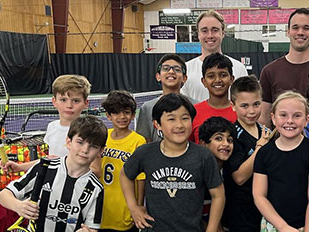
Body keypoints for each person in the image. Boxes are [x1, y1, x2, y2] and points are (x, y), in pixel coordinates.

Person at [120, 93, 225, 232]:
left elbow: (218, 195)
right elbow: (125, 175)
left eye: (185, 118)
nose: (179, 125)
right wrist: (134, 208)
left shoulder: (203, 156)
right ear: (157, 124)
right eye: (171, 119)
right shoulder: (145, 153)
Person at [0, 116, 107, 232]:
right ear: (68, 142)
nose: (85, 150)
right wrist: (18, 206)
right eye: (80, 142)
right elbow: (3, 195)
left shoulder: (96, 189)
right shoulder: (45, 168)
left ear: (100, 151)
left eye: (93, 146)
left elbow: (92, 227)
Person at [253, 91, 309, 232]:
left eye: (297, 115)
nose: (290, 121)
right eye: (283, 115)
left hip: (308, 225)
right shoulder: (264, 153)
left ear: (307, 120)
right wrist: (283, 227)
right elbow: (259, 195)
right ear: (273, 118)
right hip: (274, 225)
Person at [4, 74, 91, 172]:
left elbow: (94, 169)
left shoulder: (88, 132)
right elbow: (50, 160)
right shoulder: (52, 127)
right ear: (54, 102)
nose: (69, 105)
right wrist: (19, 167)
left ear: (86, 103)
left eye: (76, 101)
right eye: (63, 100)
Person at [92, 90, 147, 232]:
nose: (122, 117)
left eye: (127, 112)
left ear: (133, 114)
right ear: (108, 116)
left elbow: (141, 177)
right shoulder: (103, 136)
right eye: (116, 113)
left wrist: (139, 205)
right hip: (102, 204)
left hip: (124, 206)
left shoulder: (138, 141)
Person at [224, 75, 271, 231]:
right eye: (244, 106)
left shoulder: (266, 132)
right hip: (240, 212)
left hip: (265, 209)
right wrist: (259, 149)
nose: (251, 111)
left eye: (256, 104)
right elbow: (238, 177)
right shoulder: (230, 135)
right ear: (233, 105)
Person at [181, 10, 248, 102]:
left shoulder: (239, 68)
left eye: (215, 30)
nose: (210, 35)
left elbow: (245, 104)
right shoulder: (186, 69)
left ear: (223, 33)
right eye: (204, 31)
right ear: (198, 34)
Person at [137, 54, 199, 143]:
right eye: (166, 68)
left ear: (184, 78)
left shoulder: (195, 105)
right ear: (158, 76)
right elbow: (145, 140)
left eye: (177, 69)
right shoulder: (147, 108)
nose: (171, 71)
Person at [198, 116, 236, 231]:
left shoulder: (231, 172)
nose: (226, 144)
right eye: (219, 139)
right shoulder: (197, 173)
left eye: (230, 140)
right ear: (203, 144)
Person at [190, 53, 237, 144]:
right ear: (204, 81)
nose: (217, 80)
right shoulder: (193, 113)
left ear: (231, 79)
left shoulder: (241, 111)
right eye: (211, 76)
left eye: (223, 75)